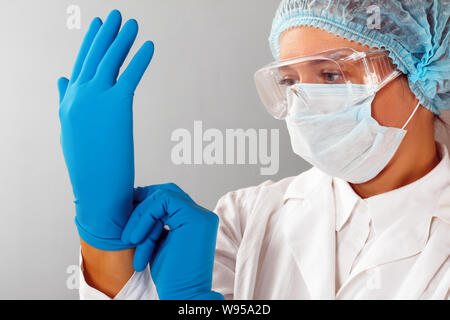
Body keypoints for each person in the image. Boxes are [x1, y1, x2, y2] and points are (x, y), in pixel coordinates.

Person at [57, 0, 450, 300]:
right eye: (289, 80)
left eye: (330, 74)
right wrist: (101, 230)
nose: (304, 101)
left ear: (424, 74)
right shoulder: (245, 217)